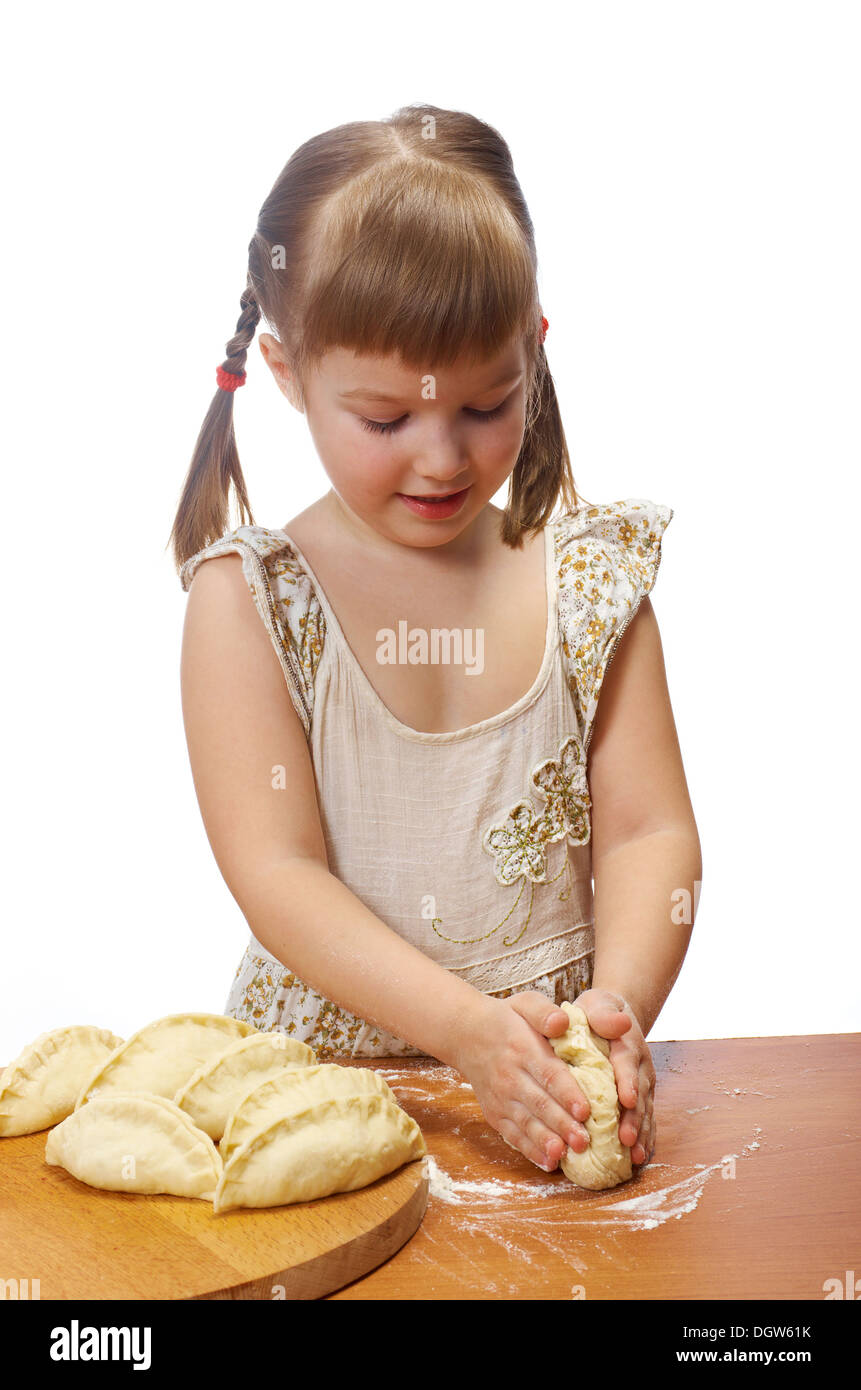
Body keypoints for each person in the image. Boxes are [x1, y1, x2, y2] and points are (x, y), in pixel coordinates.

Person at [168, 103, 702, 1177]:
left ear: (532, 349)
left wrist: (614, 1011)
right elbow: (276, 872)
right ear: (286, 371)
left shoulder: (591, 580)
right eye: (386, 419)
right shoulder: (254, 603)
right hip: (321, 1101)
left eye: (487, 401)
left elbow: (650, 836)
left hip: (542, 1105)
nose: (441, 456)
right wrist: (464, 1033)